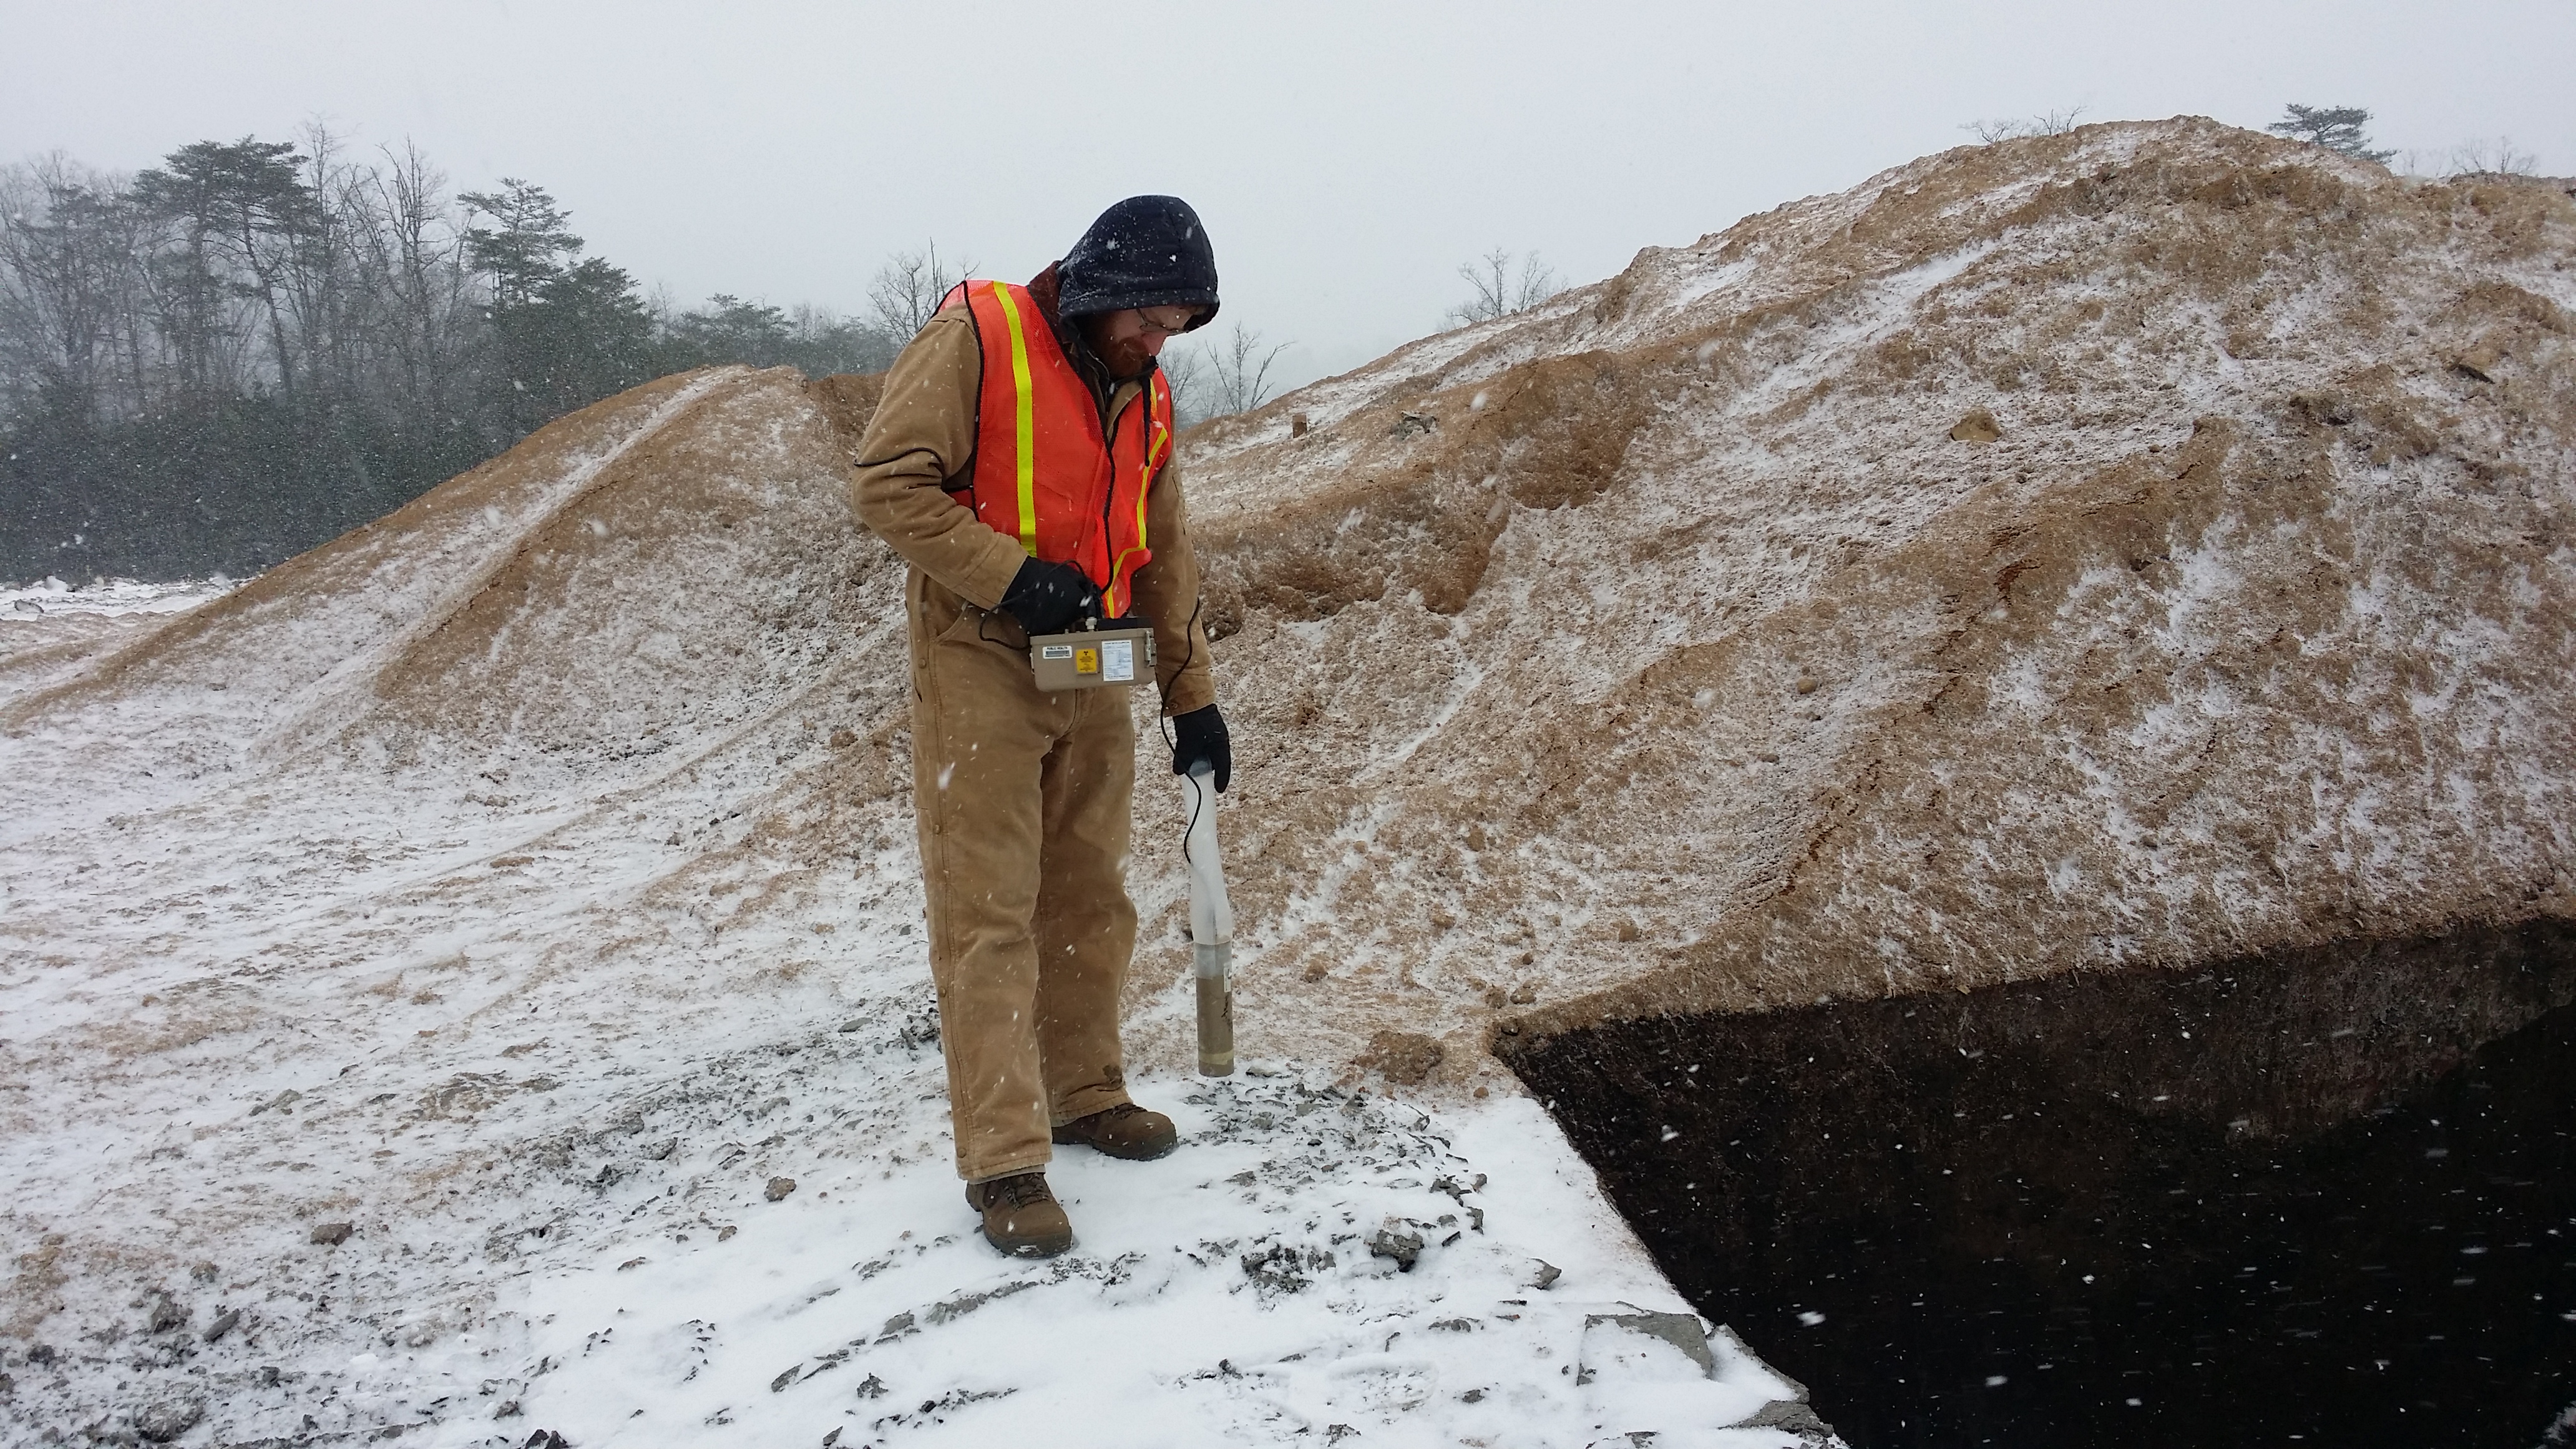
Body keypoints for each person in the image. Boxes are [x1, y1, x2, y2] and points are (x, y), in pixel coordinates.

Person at [849, 196, 1234, 1257]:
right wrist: (1015, 577)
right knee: (990, 911)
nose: (1158, 345)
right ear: (1104, 288)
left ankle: (1084, 1089)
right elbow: (887, 486)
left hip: (1095, 660)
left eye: (1174, 330)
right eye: (1149, 321)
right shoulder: (977, 337)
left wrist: (1192, 698)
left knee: (1090, 895)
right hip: (982, 655)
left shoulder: (1146, 391)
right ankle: (1005, 1158)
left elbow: (1164, 549)